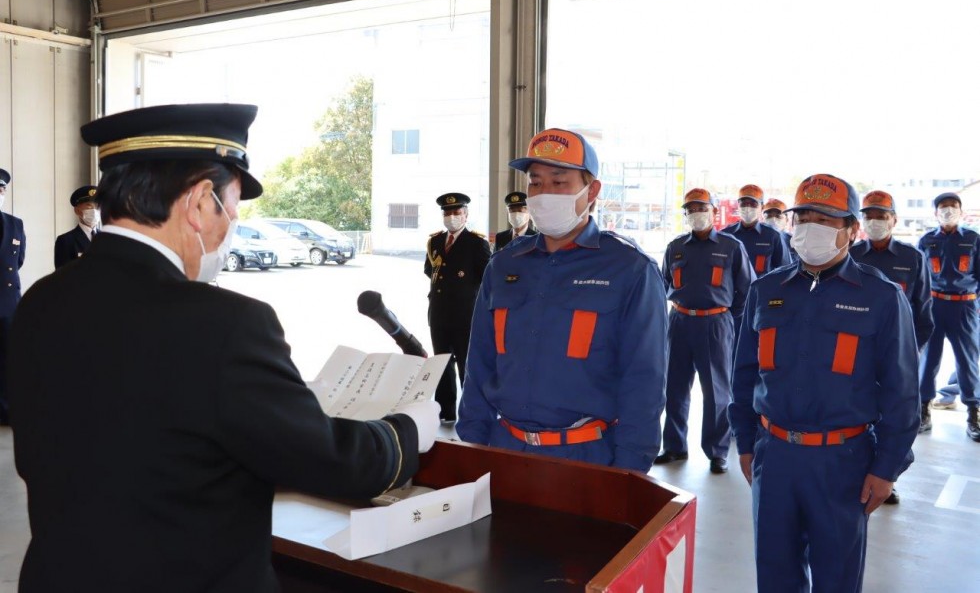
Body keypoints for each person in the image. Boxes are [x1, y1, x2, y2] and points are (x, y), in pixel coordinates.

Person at [7, 103, 439, 592]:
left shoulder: (42, 301)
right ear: (199, 202)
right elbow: (332, 462)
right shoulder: (225, 323)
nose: (230, 227)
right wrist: (407, 429)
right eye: (232, 209)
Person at [730, 173, 919, 593]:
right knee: (775, 574)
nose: (811, 226)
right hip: (773, 456)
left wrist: (886, 468)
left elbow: (902, 393)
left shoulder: (882, 297)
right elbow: (743, 377)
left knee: (836, 578)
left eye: (827, 219)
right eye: (804, 217)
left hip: (843, 463)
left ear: (851, 230)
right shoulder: (766, 291)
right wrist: (745, 443)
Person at [457, 128, 668, 471]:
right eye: (536, 183)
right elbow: (479, 363)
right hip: (505, 448)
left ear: (592, 190)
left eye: (559, 182)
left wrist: (630, 471)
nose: (544, 194)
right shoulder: (505, 265)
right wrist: (473, 443)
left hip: (587, 458)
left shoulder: (630, 269)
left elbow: (644, 382)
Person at [655, 188, 754, 474]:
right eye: (690, 209)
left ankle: (717, 452)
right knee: (674, 387)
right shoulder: (675, 247)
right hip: (680, 321)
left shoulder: (730, 246)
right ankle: (674, 445)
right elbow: (663, 284)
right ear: (685, 214)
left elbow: (746, 290)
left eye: (701, 208)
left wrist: (727, 319)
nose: (696, 214)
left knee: (717, 392)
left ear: (712, 211)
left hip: (715, 323)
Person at [850, 189, 934, 504]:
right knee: (859, 417)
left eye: (881, 216)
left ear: (893, 220)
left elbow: (924, 315)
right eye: (868, 216)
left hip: (897, 358)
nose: (874, 222)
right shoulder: (851, 254)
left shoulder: (913, 258)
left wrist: (911, 356)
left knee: (896, 418)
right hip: (857, 353)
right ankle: (859, 475)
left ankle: (888, 476)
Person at [917, 192, 980, 440]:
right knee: (928, 360)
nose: (948, 211)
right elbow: (918, 277)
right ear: (935, 213)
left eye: (953, 207)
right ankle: (923, 409)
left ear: (961, 211)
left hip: (965, 307)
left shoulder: (974, 239)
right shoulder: (926, 240)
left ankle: (973, 412)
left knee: (967, 361)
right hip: (933, 305)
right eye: (943, 207)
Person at [424, 192, 492, 422]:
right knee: (441, 364)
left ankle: (472, 412)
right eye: (447, 213)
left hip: (466, 314)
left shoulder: (477, 243)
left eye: (456, 212)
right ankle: (445, 412)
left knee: (467, 365)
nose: (451, 216)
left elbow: (486, 279)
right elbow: (429, 271)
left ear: (466, 215)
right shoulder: (434, 241)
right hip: (439, 313)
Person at [0, 168, 26, 427]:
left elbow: (17, 261)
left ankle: (7, 411)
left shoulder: (15, 224)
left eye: (1, 189)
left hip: (8, 301)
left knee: (9, 359)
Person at [723, 184, 792, 276]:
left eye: (753, 204)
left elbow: (785, 272)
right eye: (743, 203)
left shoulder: (773, 236)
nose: (748, 208)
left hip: (763, 289)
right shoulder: (725, 235)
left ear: (762, 207)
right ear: (738, 205)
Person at [54, 185, 100, 268]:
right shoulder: (66, 241)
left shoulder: (108, 238)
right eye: (89, 206)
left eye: (97, 206)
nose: (94, 211)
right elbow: (62, 276)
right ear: (77, 211)